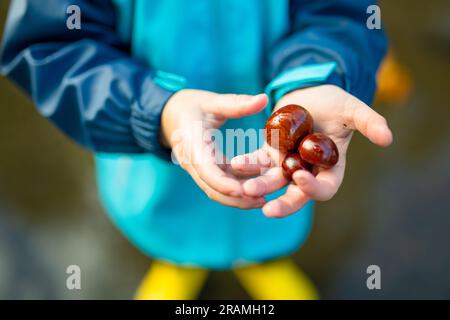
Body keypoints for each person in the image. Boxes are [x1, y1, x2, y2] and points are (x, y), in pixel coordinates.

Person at [0, 0, 393, 299]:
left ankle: (260, 259)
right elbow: (52, 44)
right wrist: (155, 109)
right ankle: (179, 260)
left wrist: (316, 73)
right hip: (154, 154)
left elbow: (341, 12)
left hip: (272, 167)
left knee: (270, 214)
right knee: (172, 225)